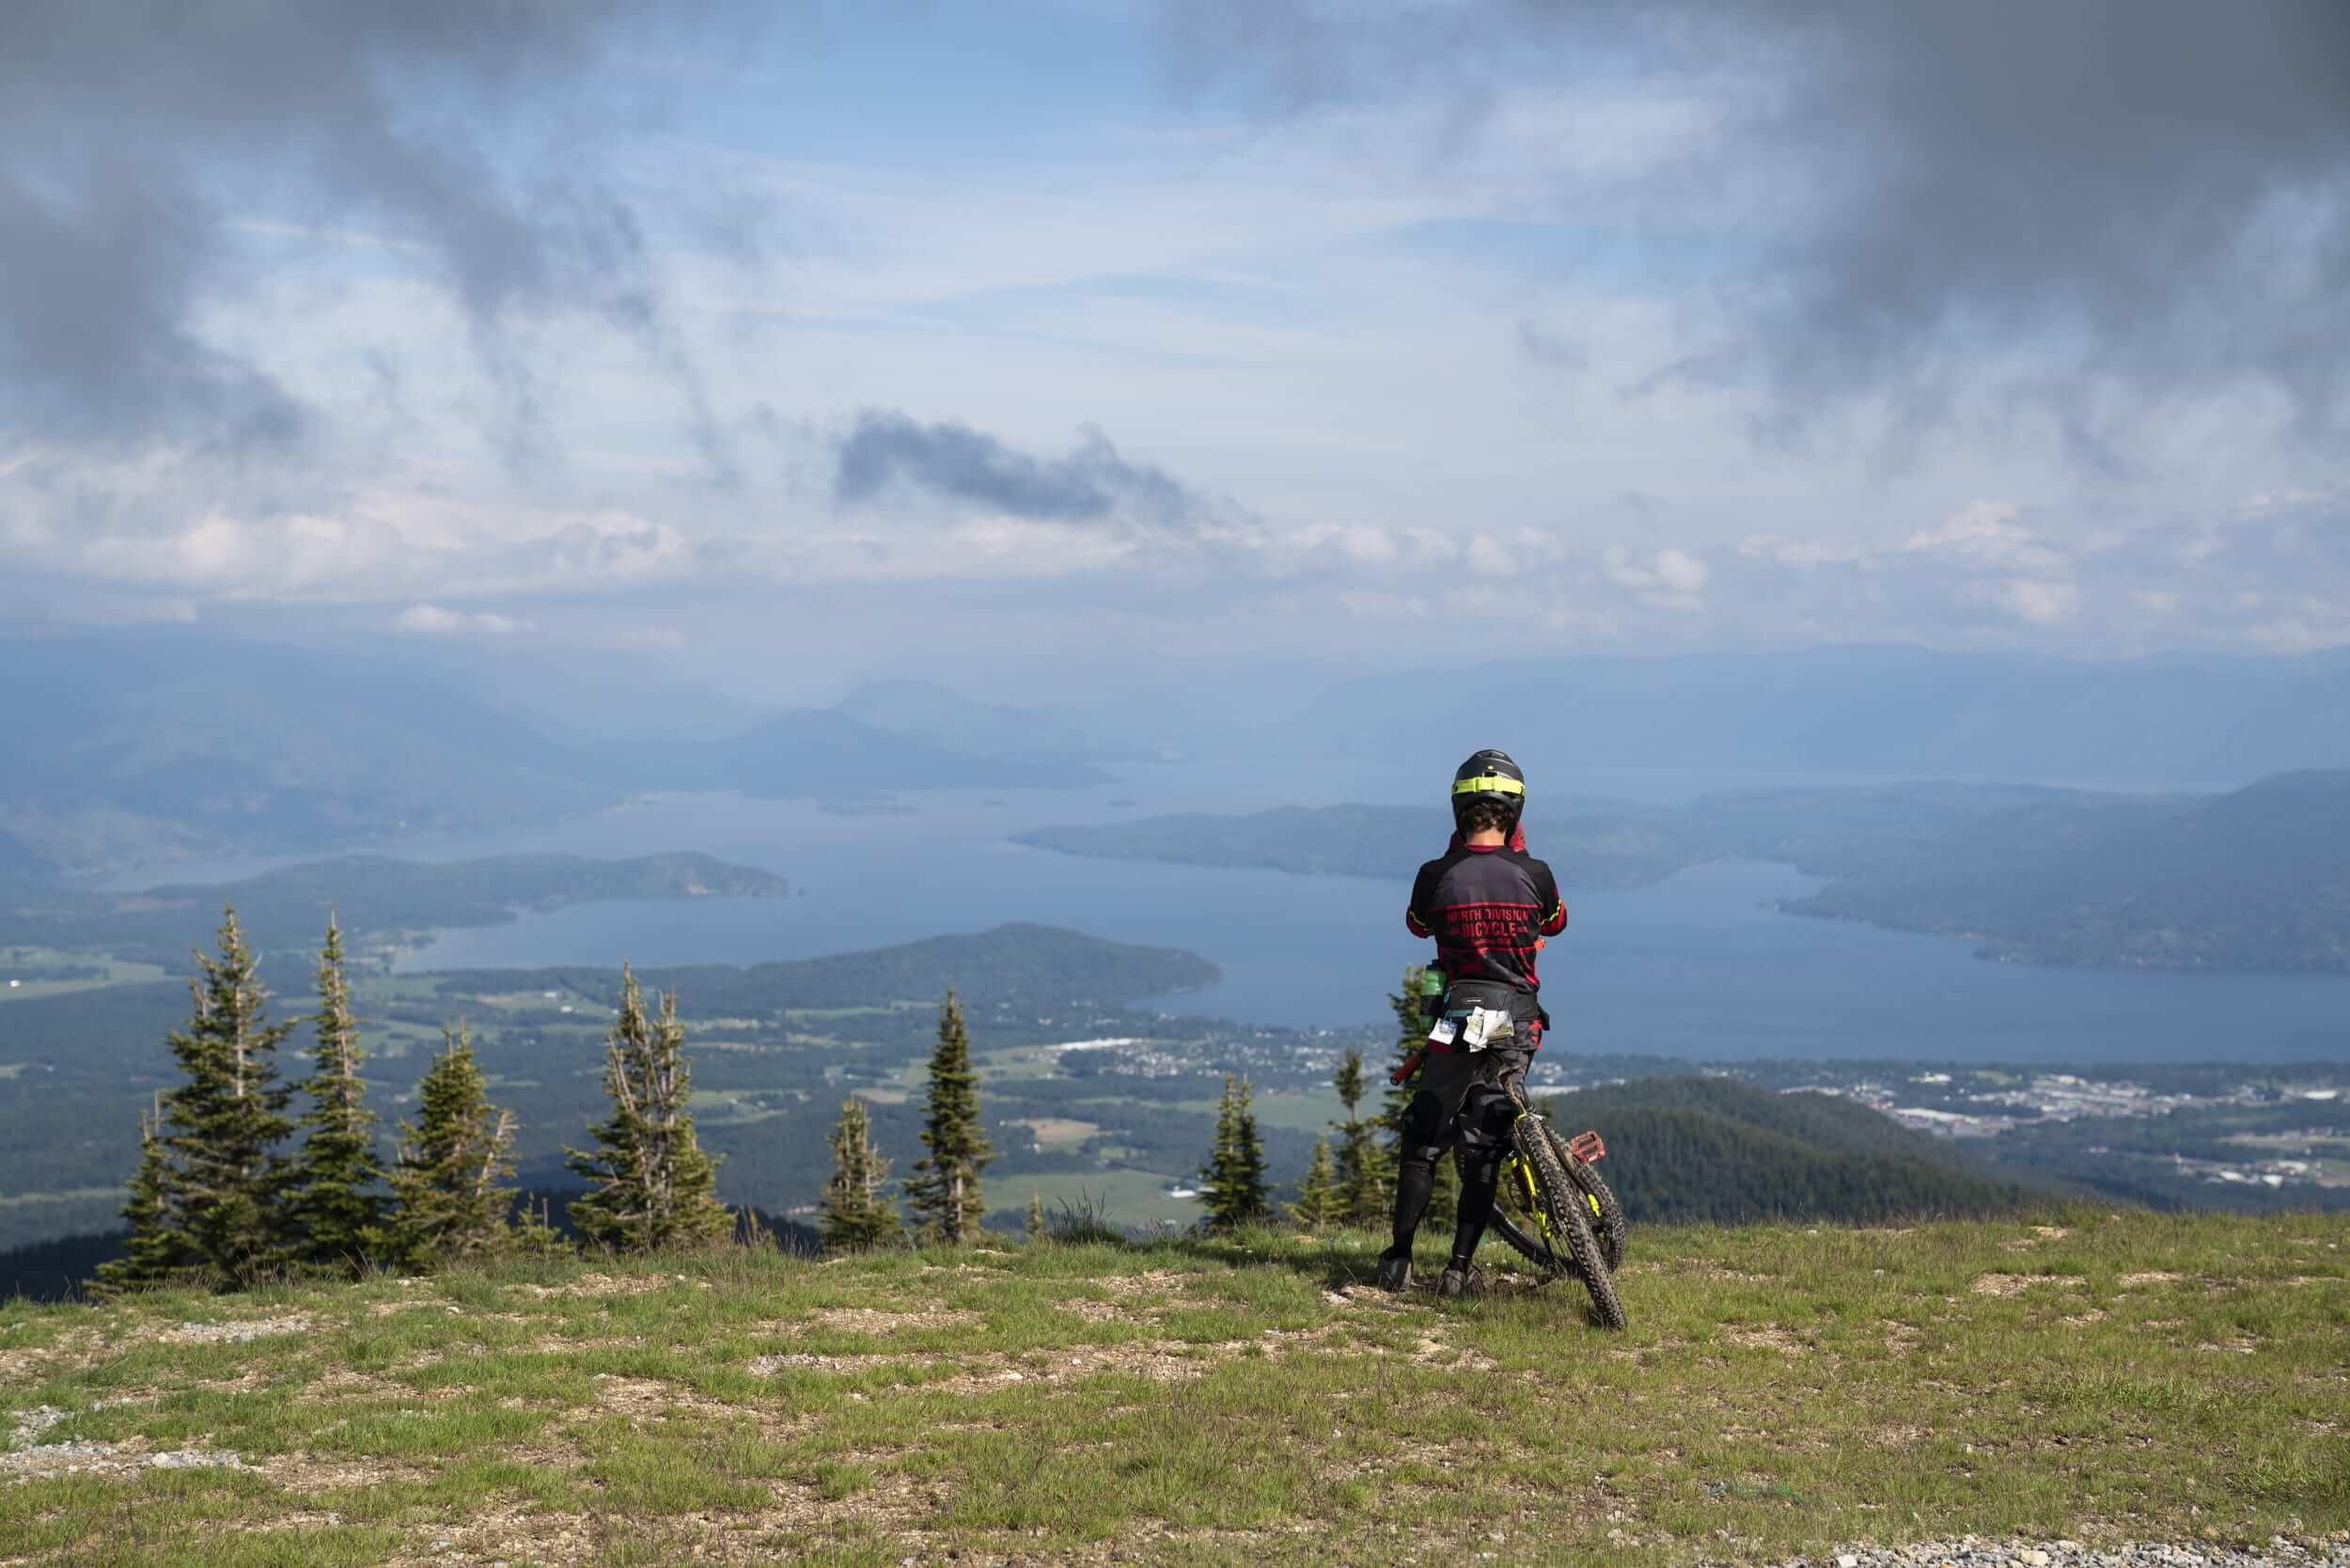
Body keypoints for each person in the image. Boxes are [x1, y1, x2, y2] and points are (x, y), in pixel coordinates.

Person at [1375, 748, 1568, 1297]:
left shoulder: (1435, 875)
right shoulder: (1536, 874)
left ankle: (1399, 1261)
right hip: (1518, 1019)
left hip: (1458, 1019)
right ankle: (1459, 1270)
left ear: (1458, 810)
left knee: (1424, 1140)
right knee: (1486, 1145)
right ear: (1516, 811)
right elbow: (1556, 923)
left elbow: (1417, 927)